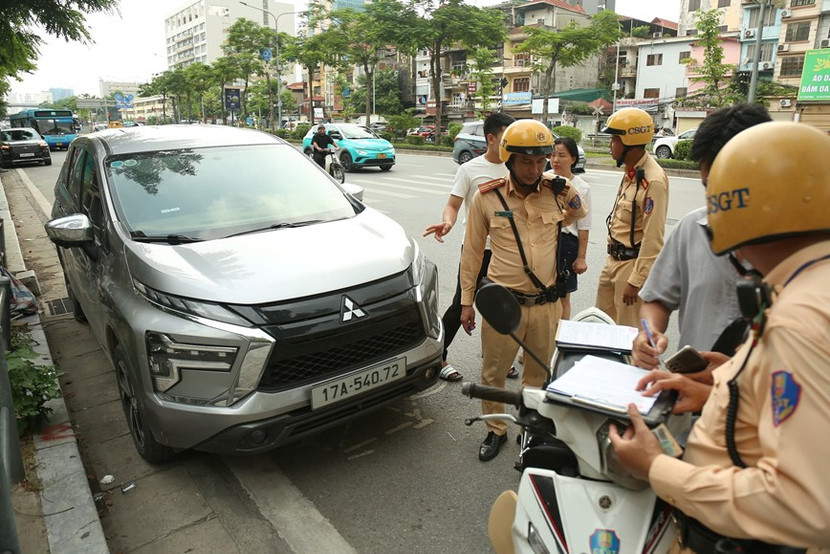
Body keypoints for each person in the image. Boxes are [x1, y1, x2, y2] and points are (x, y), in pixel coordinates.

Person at [609, 122, 830, 552]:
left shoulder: (798, 318)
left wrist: (655, 467)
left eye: (719, 194)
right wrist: (726, 384)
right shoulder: (804, 285)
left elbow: (802, 503)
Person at [459, 119, 586, 461]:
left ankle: (528, 428)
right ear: (509, 159)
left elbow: (580, 213)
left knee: (537, 373)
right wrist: (467, 302)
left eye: (541, 161)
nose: (534, 169)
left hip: (546, 304)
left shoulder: (556, 193)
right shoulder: (487, 197)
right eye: (526, 161)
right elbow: (472, 254)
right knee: (494, 373)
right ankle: (495, 428)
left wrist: (566, 188)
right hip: (504, 306)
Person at [632, 103, 772, 369]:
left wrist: (733, 377)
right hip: (689, 386)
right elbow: (657, 298)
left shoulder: (803, 249)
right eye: (709, 187)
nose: (717, 201)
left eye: (731, 189)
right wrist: (648, 334)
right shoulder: (692, 227)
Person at [423, 112, 516, 382]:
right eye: (507, 137)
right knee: (459, 305)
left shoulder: (516, 168)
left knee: (502, 306)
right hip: (477, 250)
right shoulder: (470, 169)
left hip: (507, 252)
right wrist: (447, 222)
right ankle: (439, 356)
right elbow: (453, 204)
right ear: (491, 138)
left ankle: (495, 357)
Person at [595, 108, 669, 327]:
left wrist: (635, 281)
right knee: (601, 326)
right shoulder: (631, 171)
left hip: (630, 267)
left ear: (630, 142)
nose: (611, 145)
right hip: (613, 261)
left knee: (628, 334)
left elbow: (653, 238)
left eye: (614, 140)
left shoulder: (653, 181)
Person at [550, 136, 591, 320]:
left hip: (566, 245)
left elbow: (584, 226)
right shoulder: (544, 180)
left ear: (573, 159)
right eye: (553, 155)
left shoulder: (582, 188)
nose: (556, 160)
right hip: (545, 240)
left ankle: (561, 335)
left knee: (562, 297)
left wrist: (581, 258)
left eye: (561, 155)